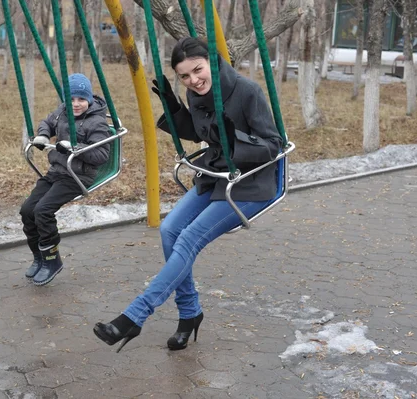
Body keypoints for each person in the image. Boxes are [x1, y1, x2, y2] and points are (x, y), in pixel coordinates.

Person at [93, 37, 283, 352]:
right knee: (169, 230)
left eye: (198, 70)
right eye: (185, 76)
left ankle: (134, 316)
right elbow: (198, 132)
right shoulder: (195, 94)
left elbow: (272, 145)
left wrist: (235, 139)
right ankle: (190, 313)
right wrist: (174, 107)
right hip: (218, 175)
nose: (193, 80)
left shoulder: (248, 92)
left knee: (189, 238)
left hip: (250, 183)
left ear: (212, 62)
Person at [20, 73, 110, 286]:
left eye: (81, 99)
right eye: (70, 99)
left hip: (79, 175)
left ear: (88, 99)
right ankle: (39, 257)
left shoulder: (96, 122)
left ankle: (52, 259)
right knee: (27, 210)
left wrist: (75, 149)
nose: (75, 104)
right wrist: (43, 134)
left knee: (43, 210)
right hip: (58, 172)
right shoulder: (62, 112)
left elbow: (101, 155)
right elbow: (47, 122)